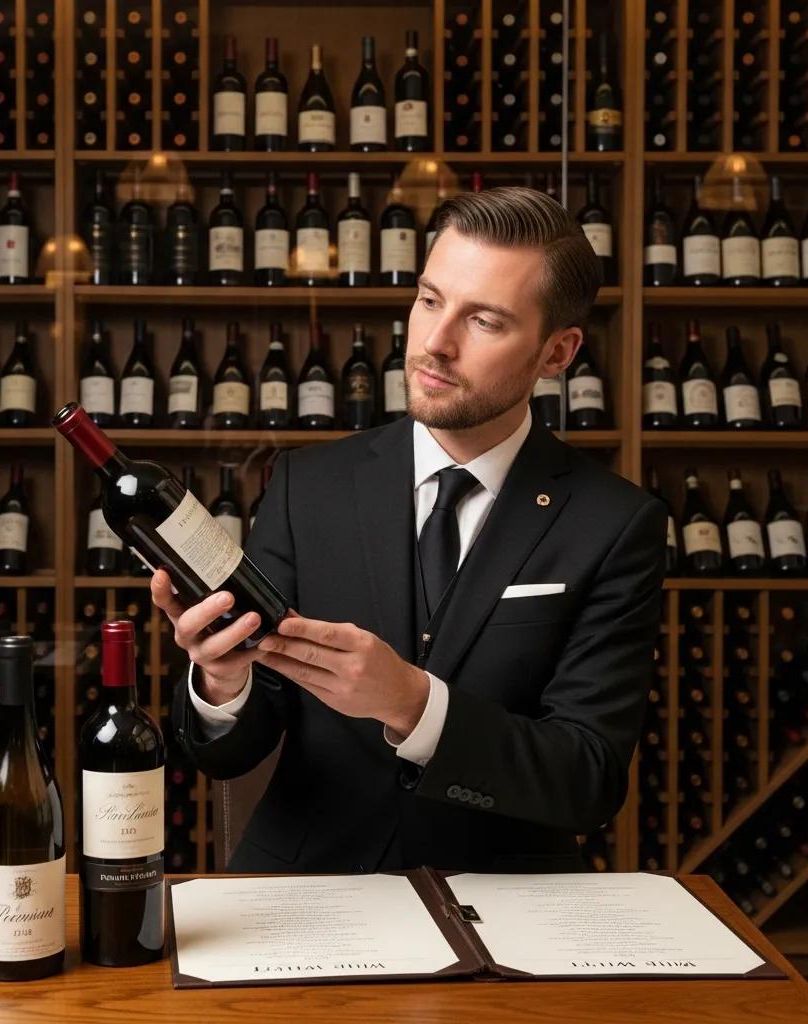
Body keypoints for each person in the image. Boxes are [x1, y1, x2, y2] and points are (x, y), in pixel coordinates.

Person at [153, 186, 667, 874]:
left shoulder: (616, 523)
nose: (434, 343)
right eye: (429, 300)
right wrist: (221, 683)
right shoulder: (308, 485)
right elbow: (227, 749)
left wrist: (414, 703)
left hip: (504, 908)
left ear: (557, 352)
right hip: (308, 892)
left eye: (484, 321)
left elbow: (589, 778)